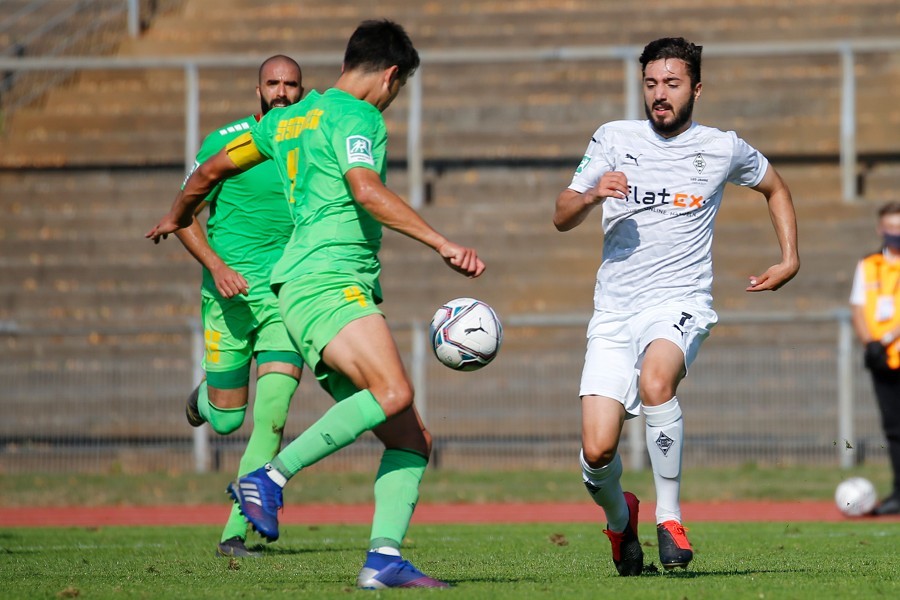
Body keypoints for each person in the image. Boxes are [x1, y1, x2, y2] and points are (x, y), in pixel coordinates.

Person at [147, 20, 484, 588]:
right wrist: (441, 242)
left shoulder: (287, 120)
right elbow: (365, 188)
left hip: (296, 290)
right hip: (330, 282)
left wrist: (178, 215)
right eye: (399, 88)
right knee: (394, 391)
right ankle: (268, 479)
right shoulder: (360, 117)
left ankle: (383, 560)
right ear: (391, 75)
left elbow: (209, 171)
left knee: (412, 440)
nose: (393, 98)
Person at [553, 37, 799, 575]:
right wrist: (592, 194)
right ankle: (621, 520)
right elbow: (561, 214)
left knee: (656, 381)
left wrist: (789, 258)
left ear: (696, 89)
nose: (659, 94)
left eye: (672, 83)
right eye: (651, 84)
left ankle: (670, 518)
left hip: (680, 300)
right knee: (597, 451)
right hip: (614, 311)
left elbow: (776, 187)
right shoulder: (613, 138)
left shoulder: (722, 148)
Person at [175, 55, 305, 558]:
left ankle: (235, 531)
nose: (281, 91)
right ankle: (205, 400)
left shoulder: (310, 143)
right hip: (227, 296)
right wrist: (217, 267)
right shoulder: (224, 142)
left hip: (284, 299)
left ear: (301, 91)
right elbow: (182, 214)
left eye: (290, 84)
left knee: (272, 416)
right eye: (273, 83)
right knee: (227, 420)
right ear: (258, 90)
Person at [849, 201, 900, 516]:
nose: (896, 233)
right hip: (883, 360)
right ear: (881, 229)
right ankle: (899, 492)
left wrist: (890, 336)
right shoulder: (868, 265)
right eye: (891, 227)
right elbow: (858, 307)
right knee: (894, 429)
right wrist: (871, 345)